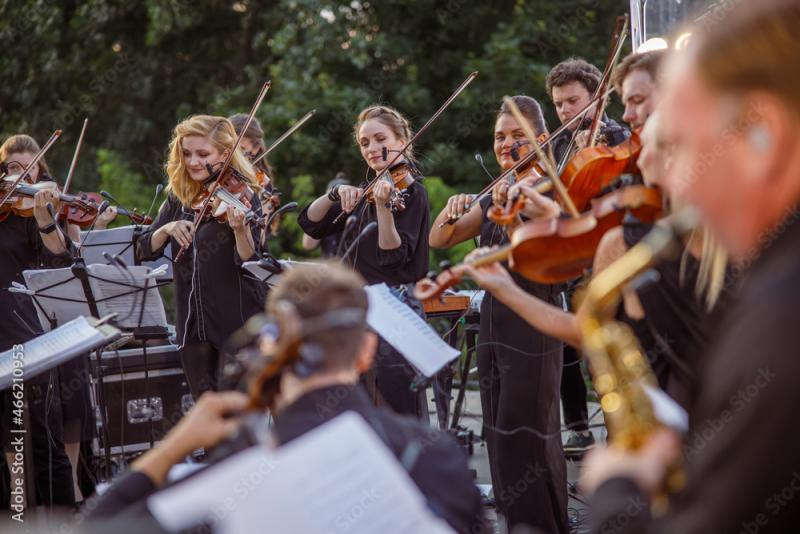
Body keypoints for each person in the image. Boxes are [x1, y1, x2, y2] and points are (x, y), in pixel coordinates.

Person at [581, 2, 800, 532]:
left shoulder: (781, 318)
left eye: (680, 147)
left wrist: (616, 488)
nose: (674, 185)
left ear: (760, 136)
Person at [85, 262, 485, 533]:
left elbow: (97, 528)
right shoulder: (437, 454)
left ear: (271, 346)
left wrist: (174, 447)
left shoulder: (237, 470)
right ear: (366, 351)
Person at [429, 95, 568, 533]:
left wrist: (519, 200)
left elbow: (549, 245)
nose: (506, 144)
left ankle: (543, 523)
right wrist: (452, 210)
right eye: (499, 136)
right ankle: (516, 522)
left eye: (517, 137)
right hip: (494, 318)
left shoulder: (552, 187)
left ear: (541, 140)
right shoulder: (497, 190)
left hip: (534, 315)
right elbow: (439, 239)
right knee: (497, 432)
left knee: (525, 434)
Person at [297, 105, 430, 419]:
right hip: (358, 309)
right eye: (364, 142)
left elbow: (393, 256)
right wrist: (333, 196)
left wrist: (384, 210)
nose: (371, 148)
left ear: (404, 142)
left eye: (380, 138)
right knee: (359, 404)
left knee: (397, 404)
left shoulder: (412, 194)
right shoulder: (362, 194)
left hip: (396, 307)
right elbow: (310, 225)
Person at [135, 115, 266, 398]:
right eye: (187, 153)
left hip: (237, 325)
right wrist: (167, 228)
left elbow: (251, 259)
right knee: (206, 418)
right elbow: (144, 248)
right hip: (192, 327)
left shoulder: (243, 195)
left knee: (236, 423)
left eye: (202, 154)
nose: (193, 161)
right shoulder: (179, 197)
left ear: (225, 154)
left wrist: (240, 229)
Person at [0, 134, 76, 508]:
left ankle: (63, 520)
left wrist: (46, 216)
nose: (21, 178)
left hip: (23, 340)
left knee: (41, 440)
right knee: (4, 447)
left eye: (32, 171)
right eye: (14, 169)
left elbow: (62, 258)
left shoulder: (33, 214)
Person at [545, 57, 630, 165]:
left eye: (572, 101)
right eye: (558, 104)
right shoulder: (558, 145)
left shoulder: (619, 138)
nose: (563, 110)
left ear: (598, 99)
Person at [228, 113, 279, 249]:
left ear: (255, 149)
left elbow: (259, 239)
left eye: (241, 149)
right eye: (229, 147)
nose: (234, 156)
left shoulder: (261, 182)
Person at [301, 173, 350, 257]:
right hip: (328, 266)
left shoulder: (355, 215)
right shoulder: (324, 216)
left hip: (349, 268)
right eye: (335, 196)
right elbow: (308, 245)